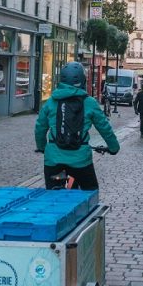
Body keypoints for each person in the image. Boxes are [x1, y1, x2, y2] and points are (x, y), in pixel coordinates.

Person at [35, 62, 120, 190]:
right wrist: (113, 147)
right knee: (90, 193)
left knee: (51, 199)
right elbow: (104, 128)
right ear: (82, 81)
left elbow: (40, 128)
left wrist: (41, 147)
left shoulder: (51, 101)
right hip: (80, 161)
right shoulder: (90, 102)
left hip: (53, 159)